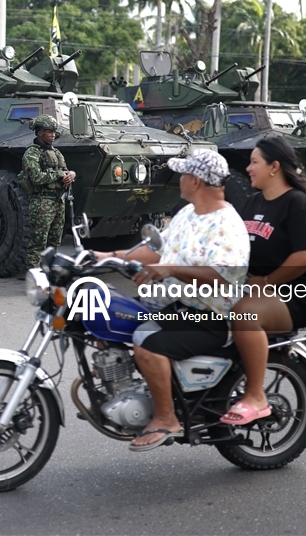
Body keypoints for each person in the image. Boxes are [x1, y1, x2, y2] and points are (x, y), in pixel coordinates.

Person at [95, 151, 249, 451]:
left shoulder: (226, 224)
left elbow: (224, 275)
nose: (179, 180)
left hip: (212, 317)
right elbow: (157, 250)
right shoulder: (188, 214)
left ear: (194, 181)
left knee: (146, 340)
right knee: (117, 319)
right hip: (180, 305)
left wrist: (171, 269)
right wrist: (104, 257)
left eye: (182, 175)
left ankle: (167, 419)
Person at [222, 136, 306, 424]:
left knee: (243, 315)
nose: (248, 168)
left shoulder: (297, 203)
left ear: (274, 167)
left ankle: (257, 396)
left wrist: (269, 280)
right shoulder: (253, 202)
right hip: (258, 287)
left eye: (254, 162)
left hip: (296, 294)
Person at [22, 114, 75, 268]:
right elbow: (36, 178)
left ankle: (50, 271)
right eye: (49, 131)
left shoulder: (57, 153)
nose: (53, 135)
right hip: (42, 202)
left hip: (58, 200)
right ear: (39, 132)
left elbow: (65, 171)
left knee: (55, 241)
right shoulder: (32, 153)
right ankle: (35, 273)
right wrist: (59, 175)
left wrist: (71, 175)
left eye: (54, 132)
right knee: (39, 242)